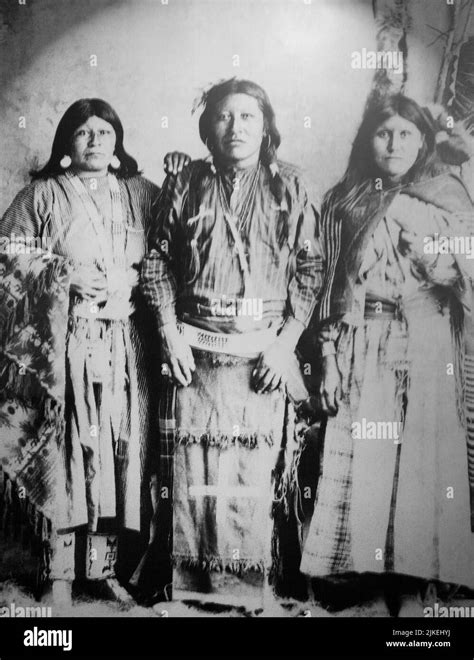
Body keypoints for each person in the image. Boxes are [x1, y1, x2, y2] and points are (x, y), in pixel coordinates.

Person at [138, 78, 323, 610]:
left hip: (263, 355)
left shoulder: (292, 186)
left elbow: (309, 271)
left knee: (251, 471)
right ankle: (188, 586)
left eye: (247, 117)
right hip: (193, 353)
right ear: (207, 128)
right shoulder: (185, 182)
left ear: (266, 127)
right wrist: (169, 331)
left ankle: (250, 588)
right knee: (192, 470)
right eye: (223, 117)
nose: (235, 127)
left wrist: (285, 344)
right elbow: (157, 261)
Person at [0, 98, 189, 604]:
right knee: (67, 452)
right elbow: (5, 256)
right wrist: (58, 275)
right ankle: (58, 573)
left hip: (126, 346)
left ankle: (101, 569)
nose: (95, 142)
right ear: (66, 143)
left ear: (118, 141)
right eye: (83, 133)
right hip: (65, 345)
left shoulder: (140, 193)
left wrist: (180, 170)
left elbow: (174, 235)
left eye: (105, 132)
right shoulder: (41, 195)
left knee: (114, 454)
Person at [300, 93, 474, 616]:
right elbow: (325, 287)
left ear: (423, 141)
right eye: (383, 132)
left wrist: (410, 220)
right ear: (367, 140)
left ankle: (418, 582)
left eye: (405, 133)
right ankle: (367, 583)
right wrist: (328, 358)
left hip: (427, 341)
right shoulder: (344, 201)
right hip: (362, 342)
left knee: (424, 464)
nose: (394, 143)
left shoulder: (446, 194)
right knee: (366, 460)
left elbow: (461, 274)